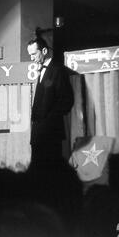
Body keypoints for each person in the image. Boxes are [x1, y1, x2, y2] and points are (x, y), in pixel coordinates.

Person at [27, 36, 74, 171]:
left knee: (50, 175)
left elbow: (67, 101)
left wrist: (47, 122)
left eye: (34, 54)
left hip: (49, 134)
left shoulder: (58, 70)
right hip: (39, 135)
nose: (32, 58)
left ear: (44, 51)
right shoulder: (43, 69)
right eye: (30, 55)